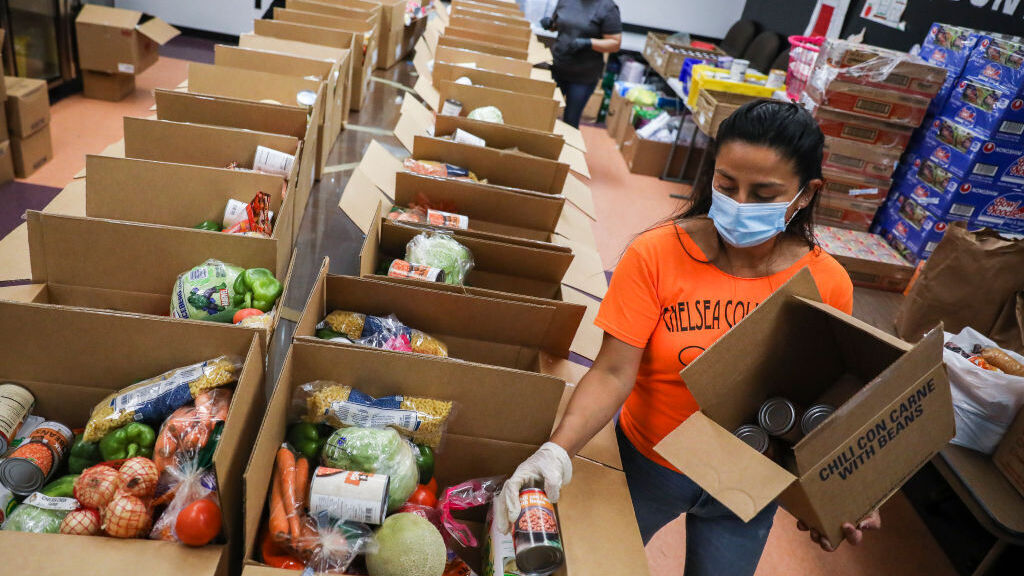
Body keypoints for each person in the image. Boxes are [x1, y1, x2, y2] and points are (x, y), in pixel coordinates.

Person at [495, 100, 882, 575]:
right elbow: (615, 371)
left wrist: (842, 488)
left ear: (805, 194)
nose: (740, 204)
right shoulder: (656, 255)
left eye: (764, 194)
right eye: (726, 185)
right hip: (649, 466)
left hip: (748, 481)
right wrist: (557, 451)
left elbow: (824, 400)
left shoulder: (828, 283)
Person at [540, 0, 622, 128]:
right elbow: (559, 25)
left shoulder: (607, 7)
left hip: (583, 76)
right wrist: (550, 25)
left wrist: (588, 43)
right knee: (544, 113)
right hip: (557, 67)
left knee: (570, 121)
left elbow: (615, 43)